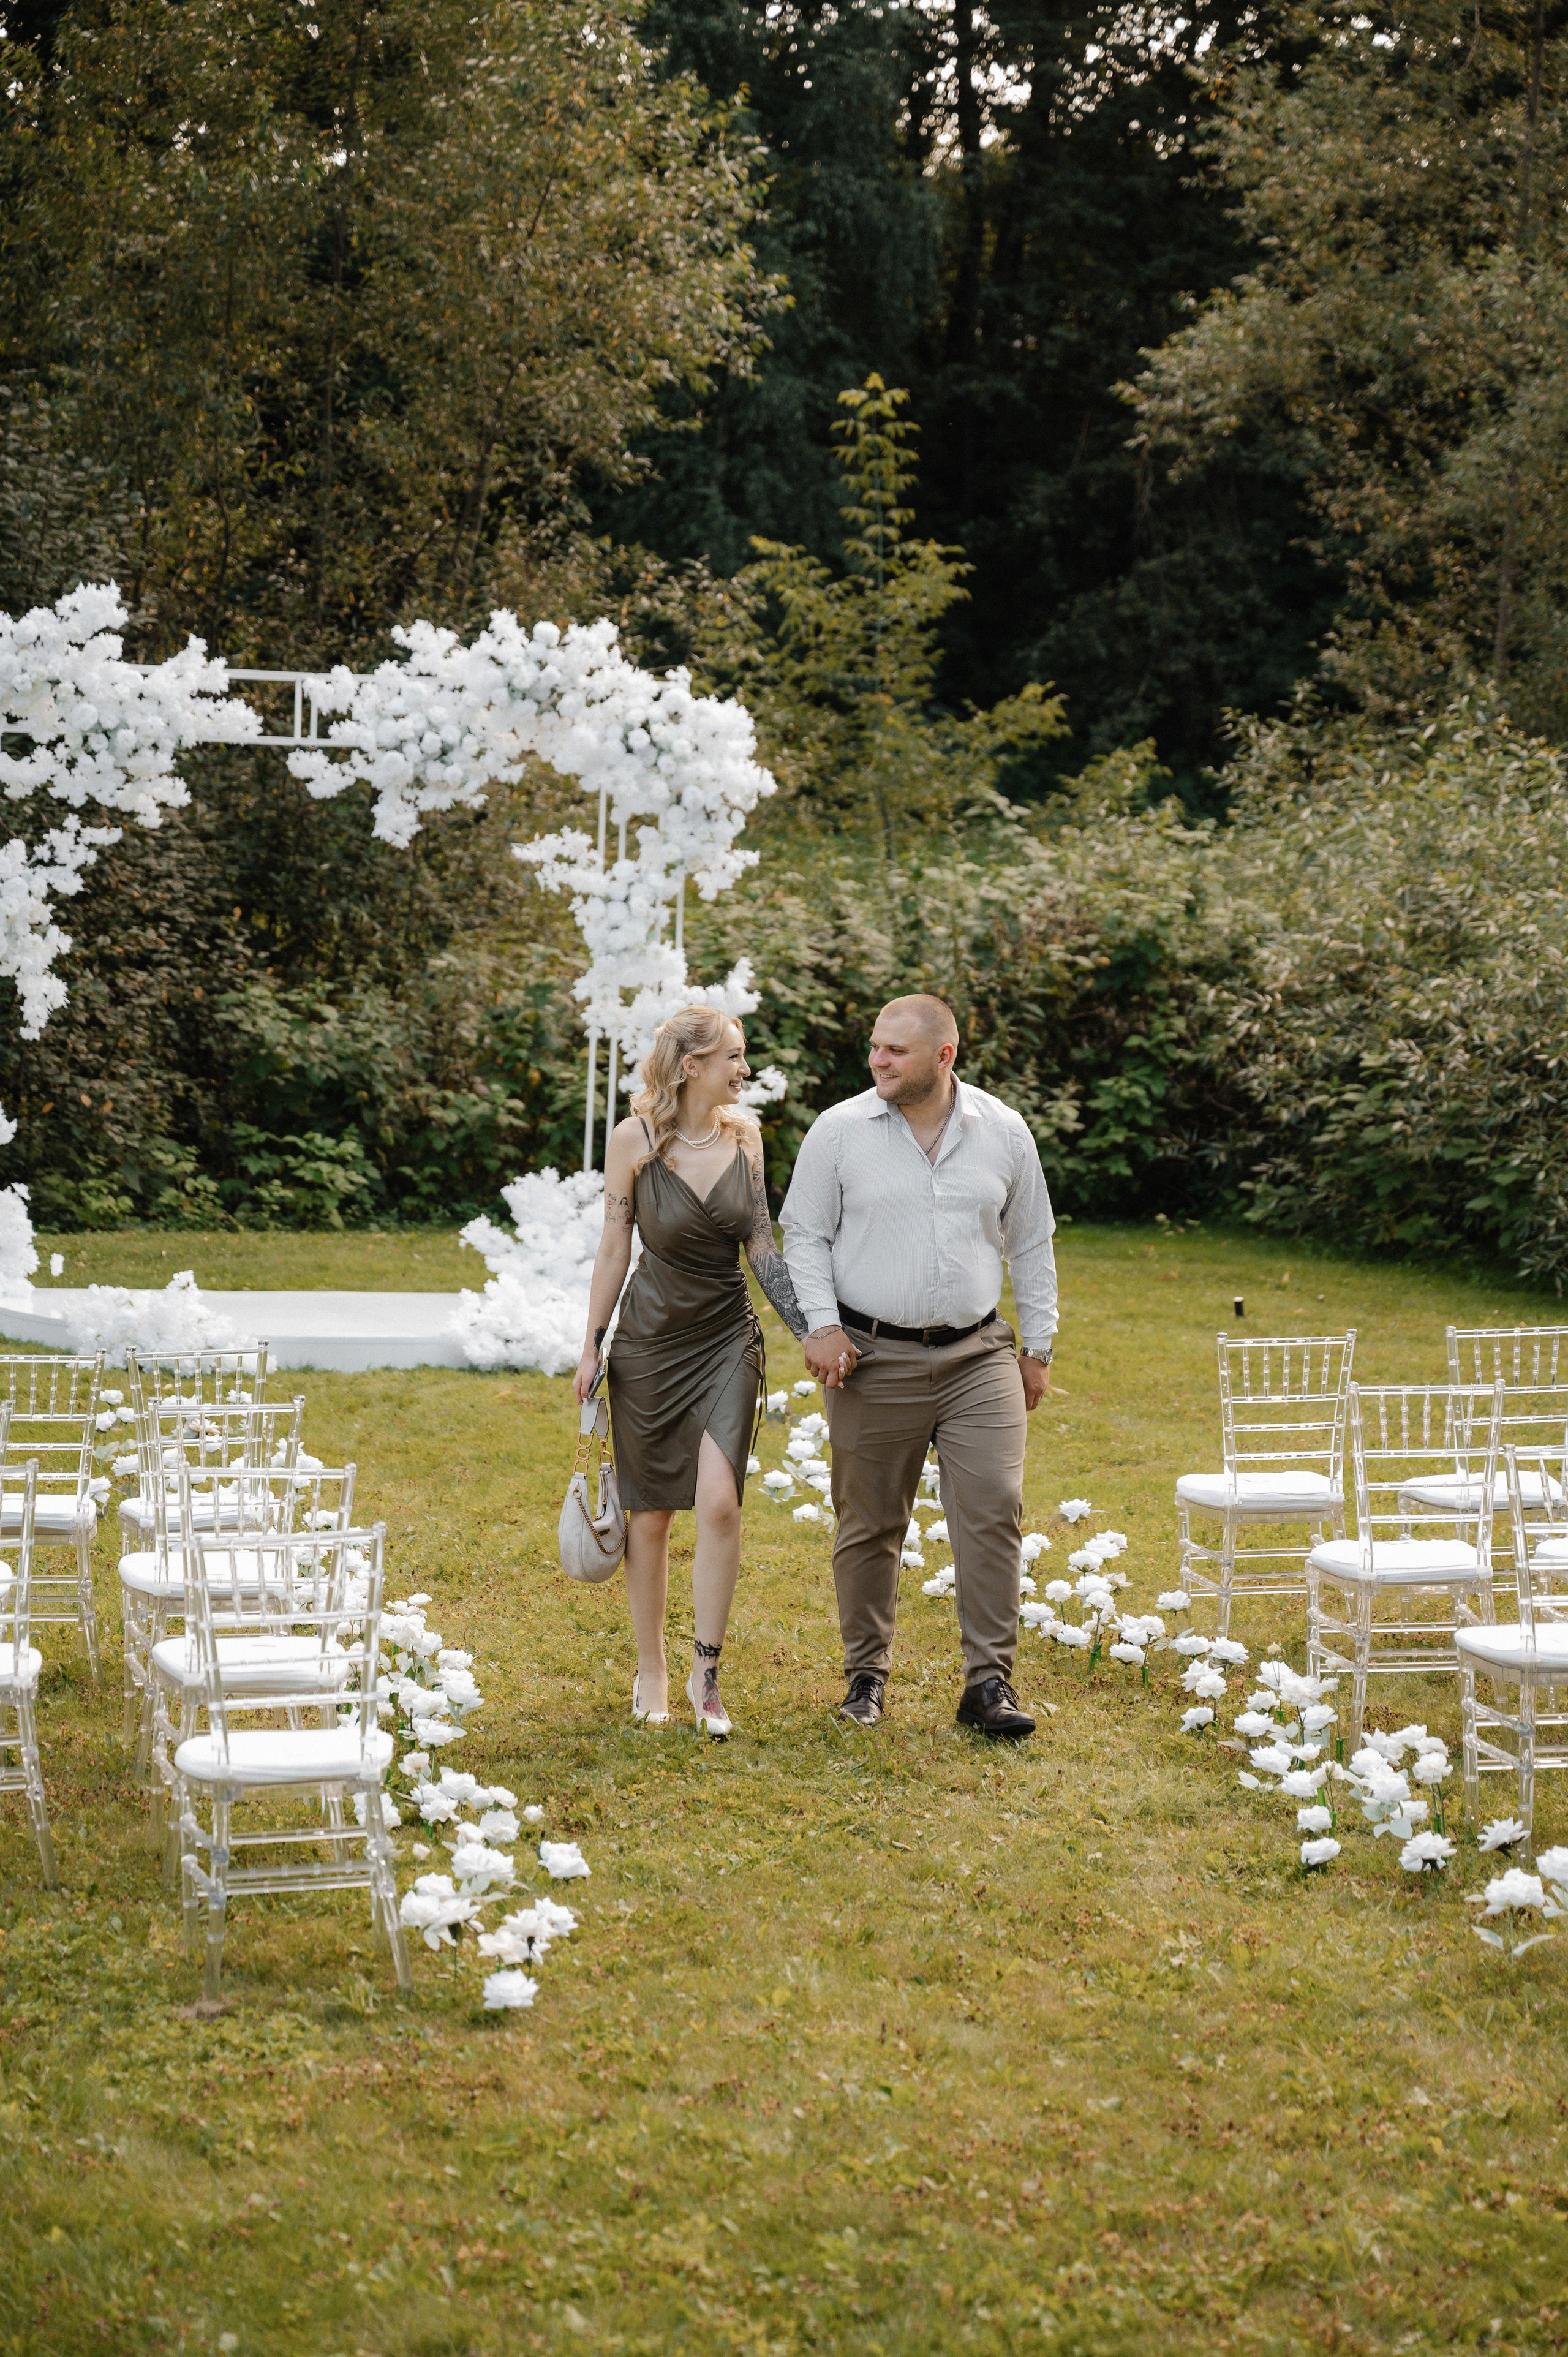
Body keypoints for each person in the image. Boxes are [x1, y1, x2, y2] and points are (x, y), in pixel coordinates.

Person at [780, 994, 1057, 1739]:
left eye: (895, 1050)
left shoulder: (1002, 1131)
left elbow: (1031, 1243)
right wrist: (823, 1325)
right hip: (871, 1358)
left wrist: (1038, 1348)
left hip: (978, 1353)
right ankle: (865, 1675)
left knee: (995, 1506)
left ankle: (987, 1684)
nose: (877, 1059)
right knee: (870, 1522)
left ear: (944, 1057)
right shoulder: (839, 1131)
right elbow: (802, 1235)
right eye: (874, 1046)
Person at [573, 1005, 809, 1737]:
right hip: (647, 1344)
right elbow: (615, 1247)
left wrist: (812, 1330)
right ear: (690, 1067)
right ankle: (651, 1669)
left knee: (718, 1504)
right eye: (734, 1057)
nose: (745, 1069)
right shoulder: (632, 1140)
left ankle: (706, 1669)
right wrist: (592, 1344)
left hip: (725, 1338)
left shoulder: (747, 1135)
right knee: (649, 1517)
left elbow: (762, 1245)